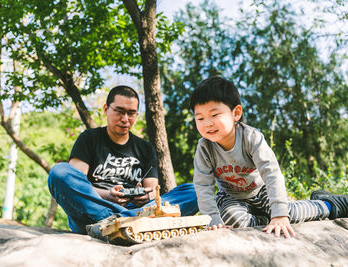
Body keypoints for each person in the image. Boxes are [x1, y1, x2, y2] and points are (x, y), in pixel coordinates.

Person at [190, 76, 348, 238]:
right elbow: (203, 186)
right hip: (232, 196)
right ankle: (266, 217)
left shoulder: (251, 138)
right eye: (200, 118)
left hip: (261, 190)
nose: (207, 123)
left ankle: (327, 204)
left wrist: (279, 214)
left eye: (214, 115)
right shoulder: (204, 148)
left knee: (288, 213)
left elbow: (272, 174)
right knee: (233, 221)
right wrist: (213, 219)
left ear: (236, 113)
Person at [48, 85, 198, 240]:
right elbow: (77, 183)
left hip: (137, 210)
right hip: (92, 211)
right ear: (106, 109)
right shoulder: (89, 138)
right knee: (59, 172)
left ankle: (122, 221)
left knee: (195, 191)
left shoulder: (145, 148)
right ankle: (117, 221)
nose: (125, 119)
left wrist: (146, 197)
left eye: (131, 113)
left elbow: (153, 191)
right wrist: (107, 195)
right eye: (119, 111)